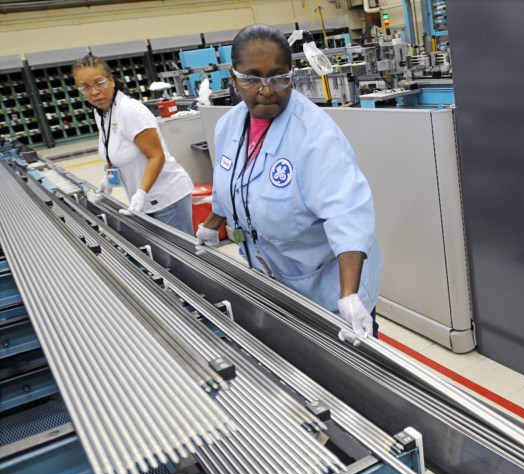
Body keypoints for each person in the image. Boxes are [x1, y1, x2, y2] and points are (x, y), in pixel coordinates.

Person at [195, 24, 383, 345]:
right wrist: (212, 225)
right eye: (252, 78)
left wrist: (349, 296)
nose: (266, 90)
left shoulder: (316, 136)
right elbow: (233, 186)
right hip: (271, 282)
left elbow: (348, 216)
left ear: (292, 76)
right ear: (234, 78)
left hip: (328, 291)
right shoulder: (228, 126)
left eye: (278, 78)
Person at [72, 55, 194, 234]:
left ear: (111, 81)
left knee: (182, 259)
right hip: (144, 201)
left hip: (166, 198)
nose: (94, 92)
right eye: (85, 87)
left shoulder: (129, 111)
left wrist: (142, 193)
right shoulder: (101, 113)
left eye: (100, 82)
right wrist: (109, 180)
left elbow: (156, 156)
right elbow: (113, 152)